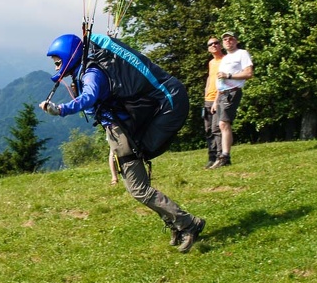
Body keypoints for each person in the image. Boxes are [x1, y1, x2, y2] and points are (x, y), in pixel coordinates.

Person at [39, 33, 205, 253]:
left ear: (69, 56)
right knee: (134, 188)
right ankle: (177, 224)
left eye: (58, 61)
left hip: (122, 133)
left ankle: (188, 223)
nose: (56, 66)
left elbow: (88, 97)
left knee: (139, 189)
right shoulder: (87, 70)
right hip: (116, 132)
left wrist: (61, 109)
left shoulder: (92, 73)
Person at [209, 31, 253, 169]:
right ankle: (221, 156)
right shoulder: (225, 58)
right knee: (218, 126)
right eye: (225, 40)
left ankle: (225, 156)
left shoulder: (242, 53)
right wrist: (216, 100)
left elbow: (249, 73)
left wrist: (229, 76)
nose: (228, 41)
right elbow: (220, 81)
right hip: (222, 94)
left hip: (232, 92)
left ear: (236, 41)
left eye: (231, 39)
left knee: (223, 123)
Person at [203, 37, 224, 169]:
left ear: (220, 45)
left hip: (219, 98)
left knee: (217, 128)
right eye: (211, 44)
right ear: (209, 48)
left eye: (216, 43)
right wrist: (205, 94)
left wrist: (217, 100)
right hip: (208, 99)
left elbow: (224, 83)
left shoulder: (225, 60)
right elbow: (210, 79)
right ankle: (211, 157)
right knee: (208, 129)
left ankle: (220, 156)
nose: (214, 45)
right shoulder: (211, 63)